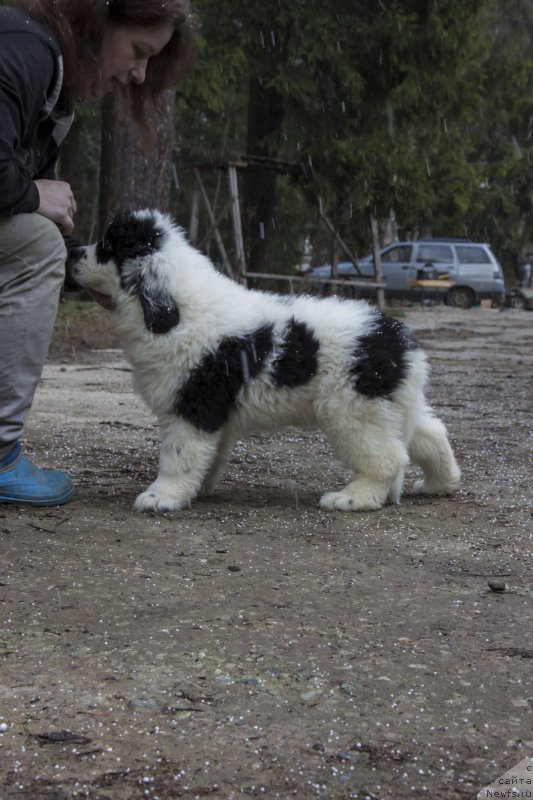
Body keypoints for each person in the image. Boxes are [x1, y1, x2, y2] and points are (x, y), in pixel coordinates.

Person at [0, 0, 196, 506]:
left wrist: (83, 272)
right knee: (37, 242)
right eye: (138, 51)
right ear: (100, 19)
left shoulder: (50, 77)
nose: (138, 73)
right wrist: (31, 194)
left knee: (39, 242)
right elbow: (23, 199)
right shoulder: (26, 52)